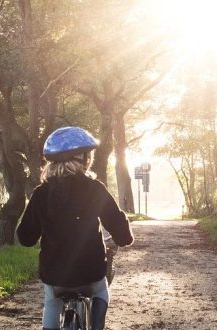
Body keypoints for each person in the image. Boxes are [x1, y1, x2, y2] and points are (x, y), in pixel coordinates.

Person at [17, 126, 134, 330]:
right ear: (83, 159)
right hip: (91, 272)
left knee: (52, 301)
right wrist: (123, 237)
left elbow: (26, 238)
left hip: (55, 275)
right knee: (101, 291)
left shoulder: (41, 193)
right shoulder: (94, 189)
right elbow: (120, 230)